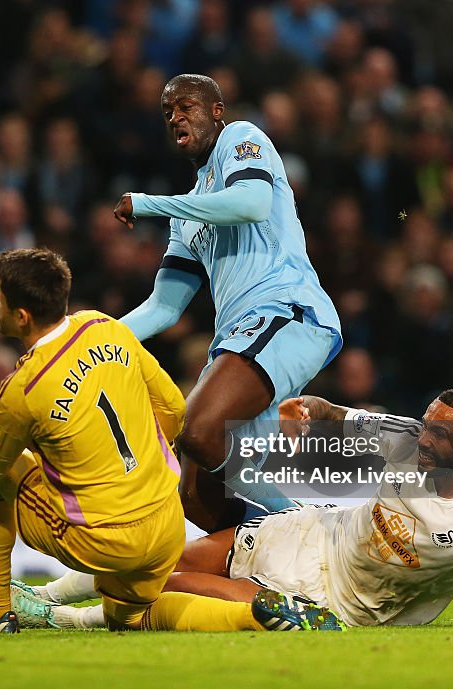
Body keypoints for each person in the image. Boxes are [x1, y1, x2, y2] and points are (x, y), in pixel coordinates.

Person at [0, 248, 342, 634]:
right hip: (166, 523)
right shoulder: (106, 327)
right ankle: (251, 616)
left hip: (106, 540)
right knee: (132, 618)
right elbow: (175, 410)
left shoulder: (21, 390)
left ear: (23, 315)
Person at [0, 388, 453, 629]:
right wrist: (307, 410)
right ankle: (41, 595)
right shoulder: (402, 435)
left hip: (339, 603)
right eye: (429, 423)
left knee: (176, 587)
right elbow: (334, 413)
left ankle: (59, 619)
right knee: (163, 559)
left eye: (442, 433)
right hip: (313, 534)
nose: (426, 437)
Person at [112, 73, 342, 530]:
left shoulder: (241, 138)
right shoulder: (188, 214)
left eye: (186, 107)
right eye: (168, 112)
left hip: (287, 311)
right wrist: (88, 337)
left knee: (198, 430)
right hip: (239, 338)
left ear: (217, 112)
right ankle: (282, 567)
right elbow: (164, 307)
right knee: (195, 497)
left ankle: (307, 527)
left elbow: (252, 203)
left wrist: (151, 204)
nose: (176, 117)